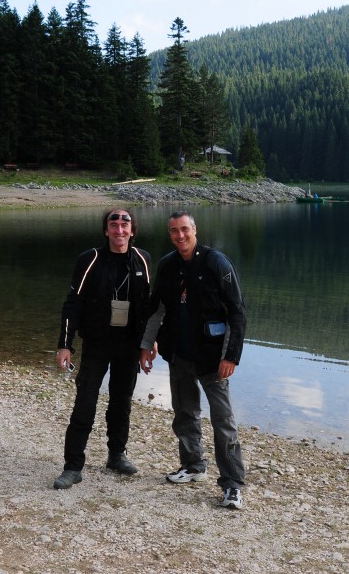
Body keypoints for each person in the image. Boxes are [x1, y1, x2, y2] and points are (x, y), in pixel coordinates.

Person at [139, 211, 248, 509]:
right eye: (174, 231)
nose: (180, 235)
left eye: (184, 229)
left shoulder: (216, 262)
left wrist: (231, 356)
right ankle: (193, 466)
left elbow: (237, 312)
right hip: (179, 355)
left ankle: (233, 484)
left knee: (223, 421)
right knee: (185, 414)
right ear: (170, 234)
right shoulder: (167, 265)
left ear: (195, 230)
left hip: (214, 359)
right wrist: (146, 345)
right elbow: (157, 309)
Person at [53, 208, 153, 490]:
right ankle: (73, 466)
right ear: (106, 230)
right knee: (85, 402)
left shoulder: (143, 260)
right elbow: (73, 303)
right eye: (114, 224)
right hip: (96, 344)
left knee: (121, 402)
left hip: (129, 345)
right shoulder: (90, 259)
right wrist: (64, 344)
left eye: (125, 224)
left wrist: (149, 342)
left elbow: (147, 306)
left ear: (133, 231)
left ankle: (116, 454)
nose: (119, 230)